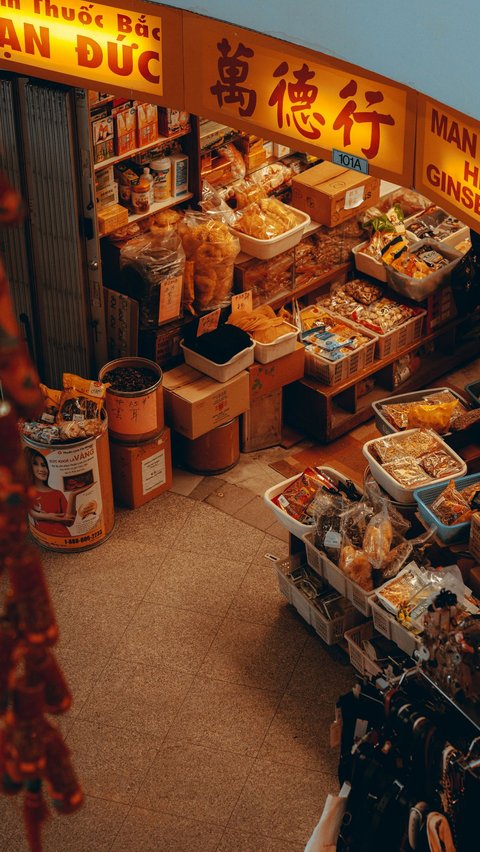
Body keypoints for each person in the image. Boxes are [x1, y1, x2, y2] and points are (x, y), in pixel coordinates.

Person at [25, 448, 92, 538]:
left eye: (44, 465)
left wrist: (73, 495)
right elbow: (28, 509)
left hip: (63, 536)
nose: (41, 469)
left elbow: (69, 522)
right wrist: (48, 517)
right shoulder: (27, 489)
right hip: (42, 538)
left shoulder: (57, 493)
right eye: (35, 464)